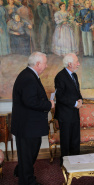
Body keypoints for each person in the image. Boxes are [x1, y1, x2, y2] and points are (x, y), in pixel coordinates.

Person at [11, 52, 55, 185]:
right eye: (45, 63)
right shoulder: (29, 78)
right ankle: (27, 181)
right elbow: (30, 101)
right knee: (28, 155)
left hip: (28, 126)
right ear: (38, 64)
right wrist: (49, 104)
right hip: (27, 127)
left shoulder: (28, 75)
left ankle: (21, 172)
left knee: (27, 155)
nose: (46, 66)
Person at [54, 53, 83, 166]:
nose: (78, 64)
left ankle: (76, 161)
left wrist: (80, 100)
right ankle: (65, 163)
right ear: (70, 64)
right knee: (65, 141)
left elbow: (77, 92)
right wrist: (75, 103)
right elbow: (60, 96)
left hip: (74, 113)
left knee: (75, 139)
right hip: (64, 115)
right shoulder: (60, 76)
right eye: (77, 62)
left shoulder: (74, 75)